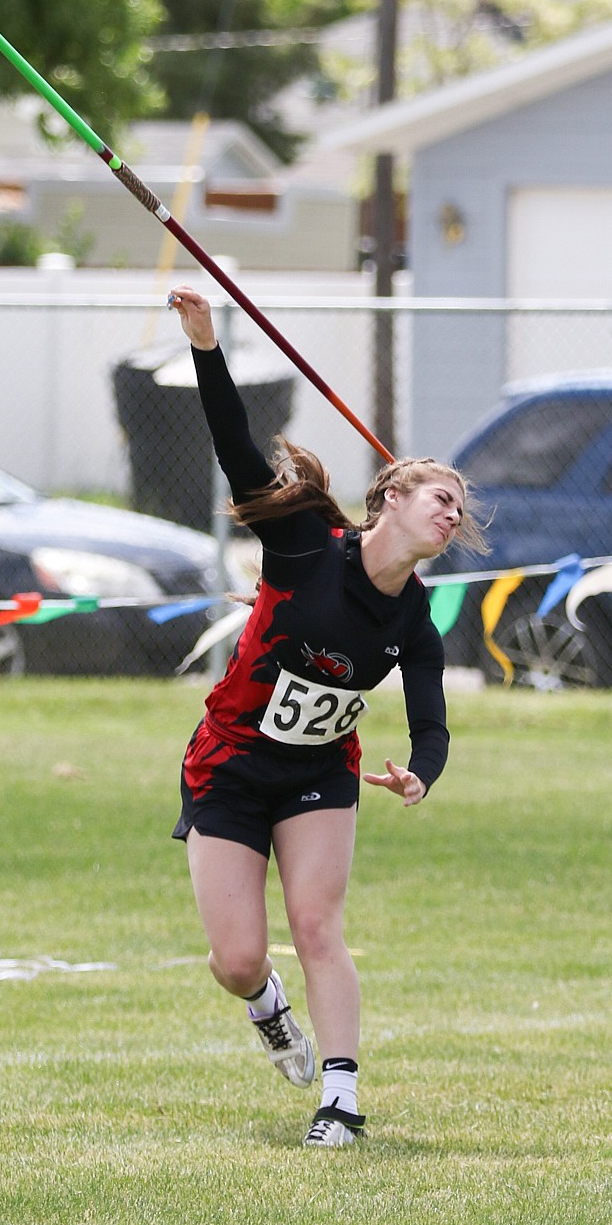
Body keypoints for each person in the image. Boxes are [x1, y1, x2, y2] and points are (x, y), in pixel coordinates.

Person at [167, 286, 486, 1147]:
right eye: (436, 496)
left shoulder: (417, 623)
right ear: (390, 499)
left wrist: (422, 772)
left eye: (457, 506)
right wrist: (204, 345)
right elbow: (237, 449)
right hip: (230, 762)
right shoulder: (305, 542)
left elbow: (431, 726)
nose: (449, 511)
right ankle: (266, 1009)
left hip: (318, 774)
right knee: (237, 960)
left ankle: (339, 1099)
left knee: (316, 924)